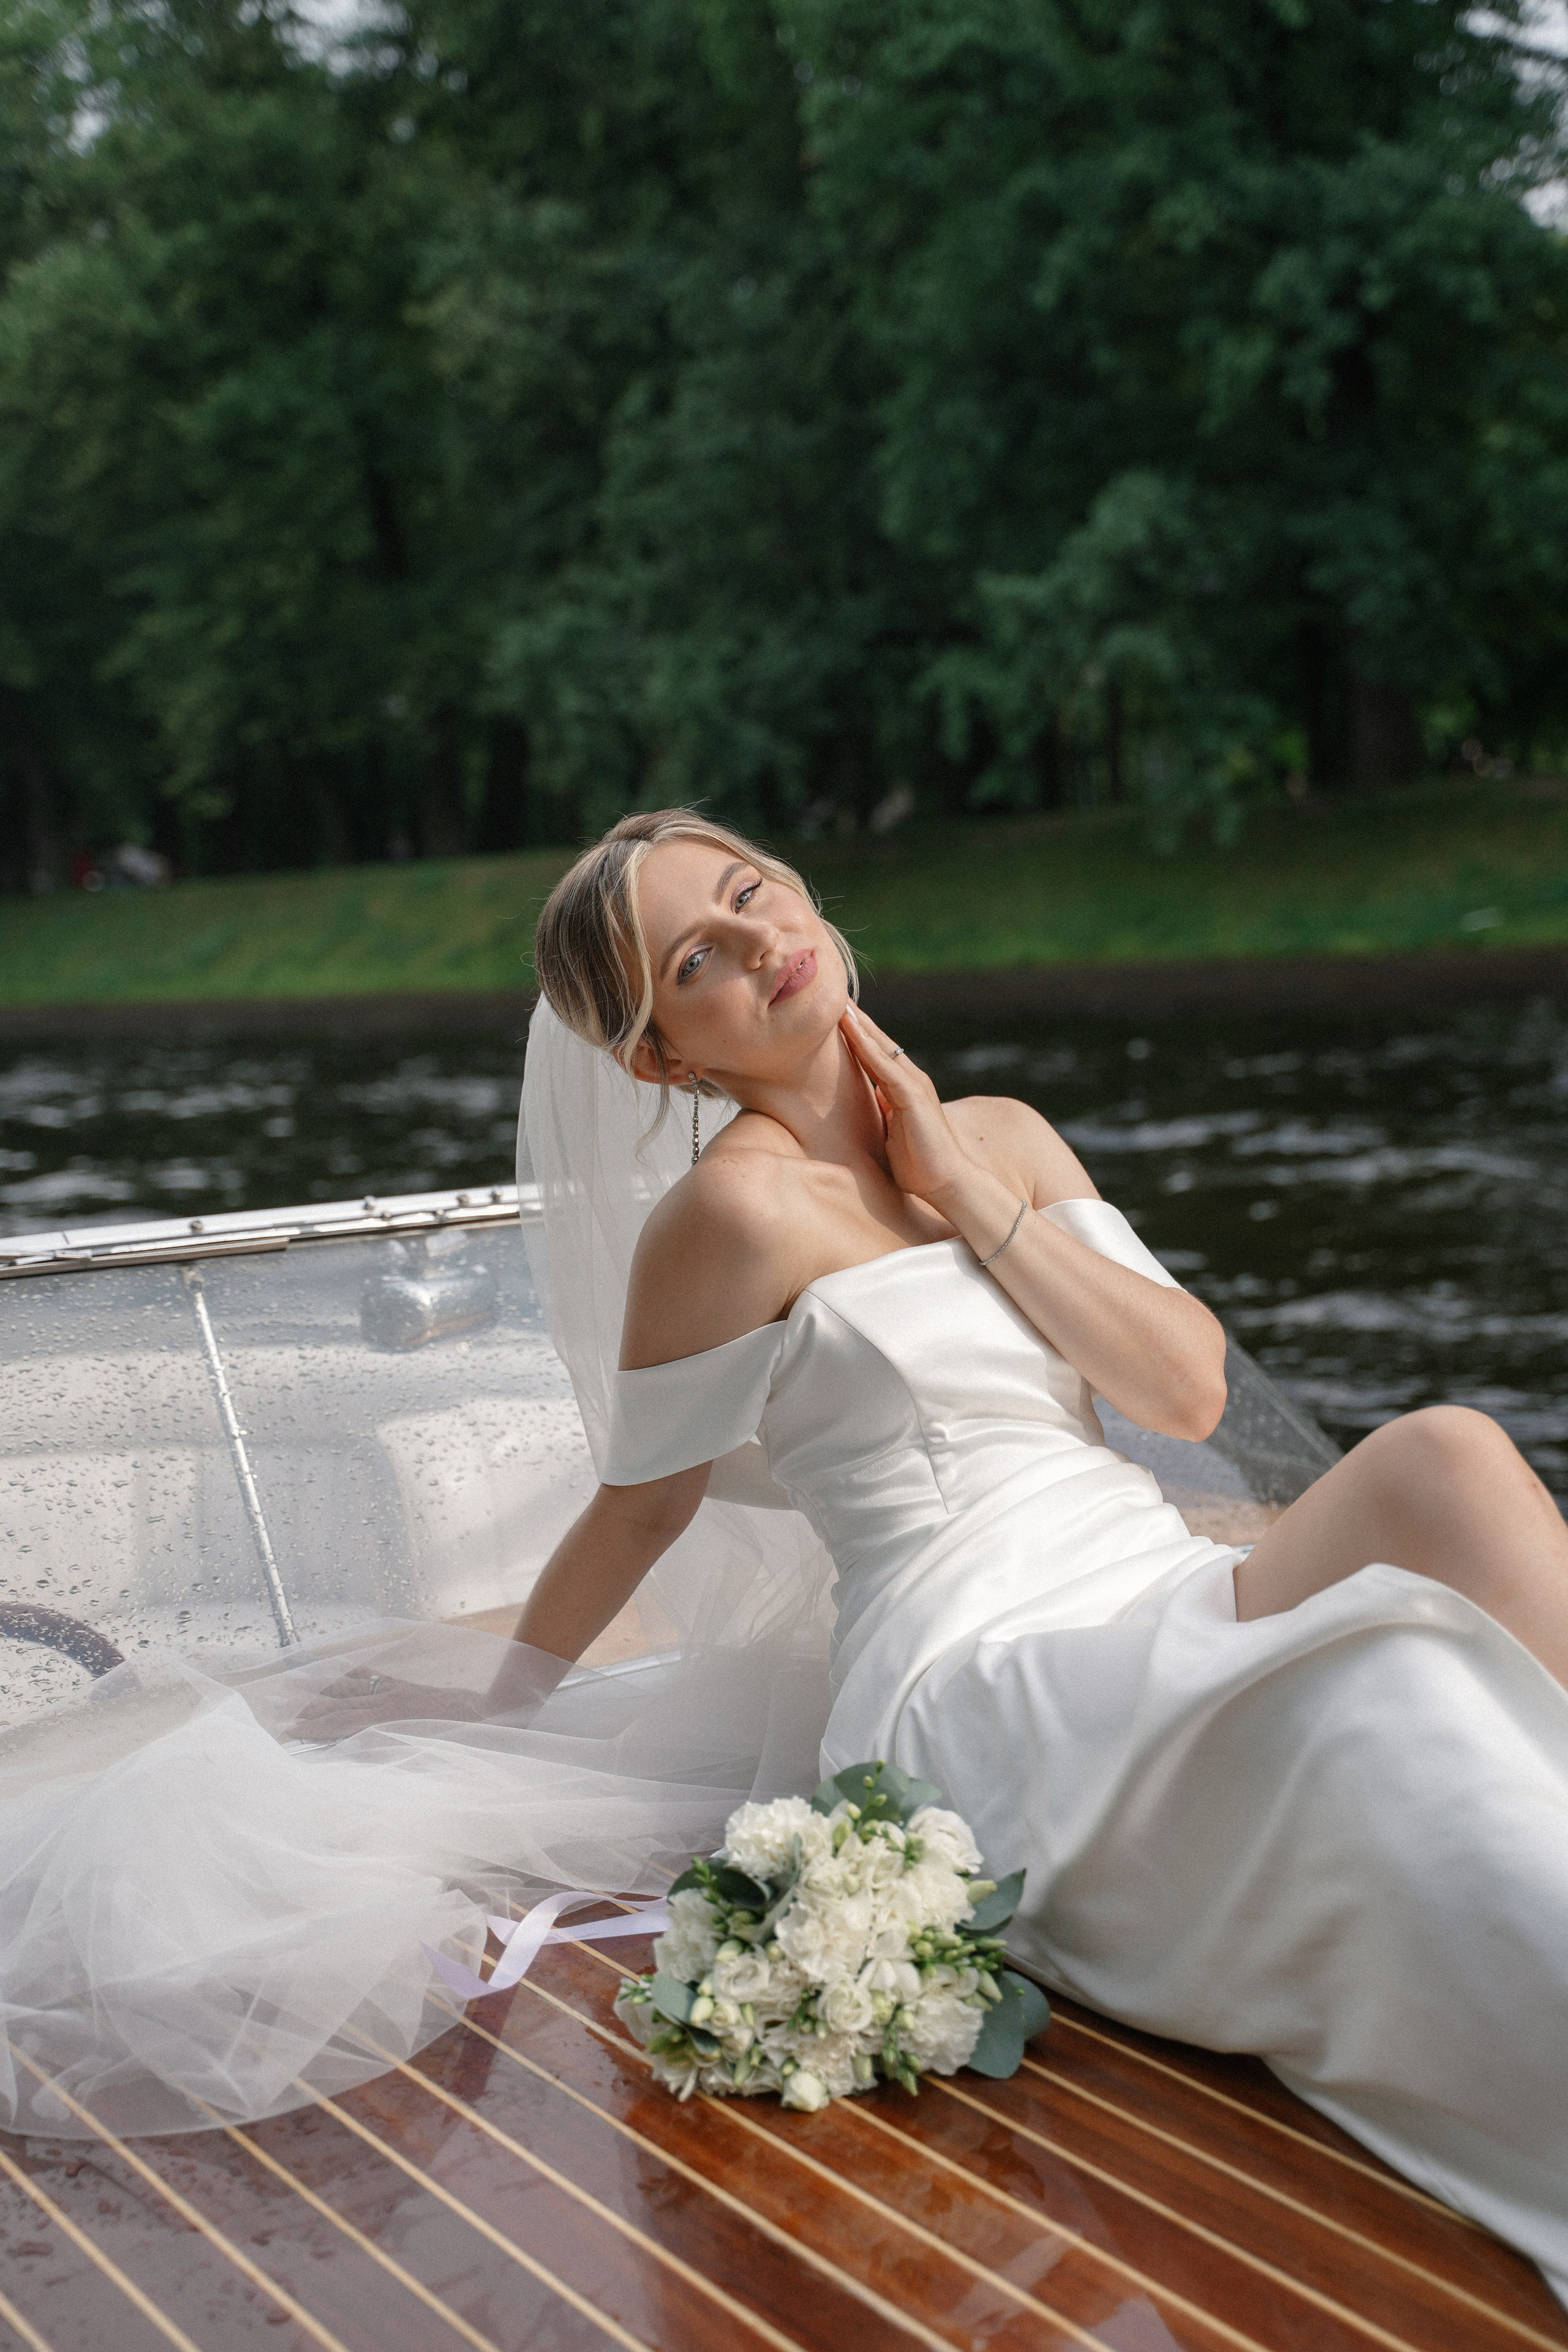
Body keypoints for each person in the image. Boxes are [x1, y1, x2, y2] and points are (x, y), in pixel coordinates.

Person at [4, 809, 1567, 2318]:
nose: (755, 943)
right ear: (660, 1057)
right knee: (1390, 1710)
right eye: (695, 959)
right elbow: (639, 1508)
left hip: (1149, 1576)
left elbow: (1185, 1398)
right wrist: (498, 1700)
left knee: (1446, 1453)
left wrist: (961, 1188)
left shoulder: (1002, 1137)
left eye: (748, 894)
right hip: (978, 1671)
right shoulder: (728, 1218)